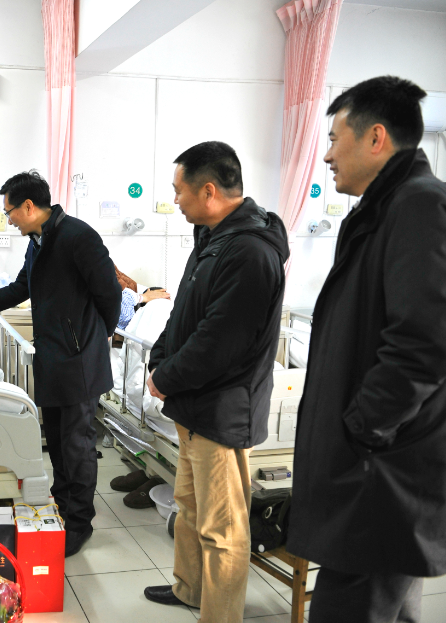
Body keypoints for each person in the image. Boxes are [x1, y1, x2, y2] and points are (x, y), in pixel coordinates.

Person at [287, 76, 446, 623]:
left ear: (376, 137)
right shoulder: (382, 210)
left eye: (334, 139)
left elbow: (424, 342)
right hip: (378, 469)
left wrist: (362, 428)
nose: (327, 156)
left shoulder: (418, 207)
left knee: (350, 606)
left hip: (382, 472)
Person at [141, 142, 289, 623]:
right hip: (193, 405)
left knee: (223, 529)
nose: (174, 200)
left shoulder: (250, 252)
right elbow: (184, 312)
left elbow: (220, 342)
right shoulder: (212, 238)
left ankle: (220, 615)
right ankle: (190, 590)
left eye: (178, 190)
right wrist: (159, 360)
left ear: (207, 191)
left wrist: (165, 377)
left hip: (222, 412)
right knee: (188, 508)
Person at [0, 171, 121, 557]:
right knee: (59, 444)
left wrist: (93, 338)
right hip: (53, 359)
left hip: (79, 361)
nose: (8, 219)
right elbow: (22, 288)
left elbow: (110, 294)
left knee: (78, 446)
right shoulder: (37, 243)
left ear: (29, 206)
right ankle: (62, 506)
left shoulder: (78, 237)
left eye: (9, 211)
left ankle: (79, 523)